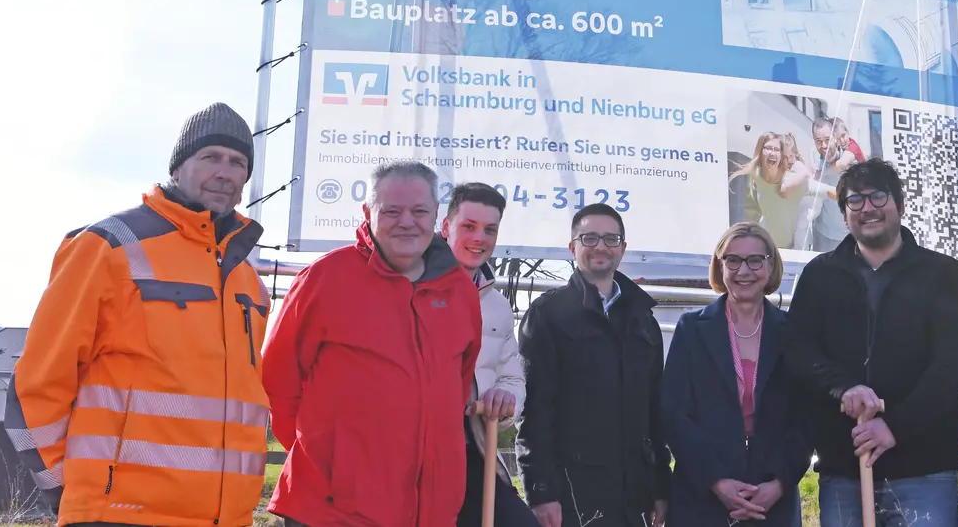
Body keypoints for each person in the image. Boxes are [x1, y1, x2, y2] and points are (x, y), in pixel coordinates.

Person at [3, 102, 273, 527]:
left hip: (226, 519)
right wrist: (68, 491)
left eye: (238, 162)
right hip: (117, 514)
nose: (225, 172)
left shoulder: (246, 280)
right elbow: (38, 382)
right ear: (178, 168)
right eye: (210, 157)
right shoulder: (108, 247)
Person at [260, 161, 483, 527]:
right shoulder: (325, 278)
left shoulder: (460, 291)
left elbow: (457, 386)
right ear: (368, 212)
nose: (406, 222)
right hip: (332, 510)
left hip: (430, 510)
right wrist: (330, 461)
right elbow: (277, 380)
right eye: (392, 211)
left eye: (419, 211)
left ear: (436, 215)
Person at [782, 158, 958, 527]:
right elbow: (798, 350)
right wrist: (842, 387)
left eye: (878, 197)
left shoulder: (943, 275)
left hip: (925, 472)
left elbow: (955, 364)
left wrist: (895, 426)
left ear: (900, 206)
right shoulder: (819, 276)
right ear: (843, 215)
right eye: (855, 201)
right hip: (844, 472)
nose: (868, 208)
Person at [517, 203, 671, 527]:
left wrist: (661, 486)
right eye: (589, 238)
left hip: (636, 497)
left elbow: (655, 415)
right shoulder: (546, 315)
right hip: (573, 494)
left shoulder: (644, 321)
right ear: (572, 248)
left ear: (623, 249)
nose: (601, 246)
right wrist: (540, 491)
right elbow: (534, 414)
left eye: (611, 239)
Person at [662, 222, 811, 526]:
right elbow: (674, 414)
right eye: (733, 260)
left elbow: (807, 415)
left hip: (772, 500)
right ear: (720, 266)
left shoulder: (794, 333)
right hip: (702, 497)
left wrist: (779, 483)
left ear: (771, 267)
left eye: (755, 260)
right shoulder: (691, 329)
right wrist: (716, 481)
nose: (744, 270)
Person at [438, 182, 538, 527]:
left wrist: (504, 397)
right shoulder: (412, 285)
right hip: (416, 456)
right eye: (469, 226)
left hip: (474, 450)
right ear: (446, 227)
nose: (479, 238)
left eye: (490, 229)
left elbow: (512, 377)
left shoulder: (497, 306)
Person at [732, 131, 814, 248]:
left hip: (799, 217)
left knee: (801, 228)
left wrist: (786, 187)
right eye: (768, 148)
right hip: (772, 232)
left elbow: (803, 176)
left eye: (777, 150)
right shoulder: (759, 174)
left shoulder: (797, 168)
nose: (789, 160)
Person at [802, 116, 862, 253]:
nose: (823, 146)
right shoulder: (813, 161)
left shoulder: (851, 163)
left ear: (835, 138)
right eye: (818, 141)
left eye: (827, 140)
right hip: (822, 235)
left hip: (849, 236)